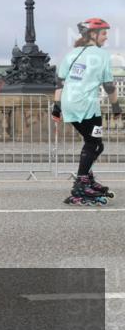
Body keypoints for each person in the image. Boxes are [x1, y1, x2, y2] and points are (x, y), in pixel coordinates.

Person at [52, 17, 122, 205]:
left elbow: (59, 82)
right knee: (95, 145)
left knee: (91, 142)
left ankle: (87, 178)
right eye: (104, 33)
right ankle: (81, 184)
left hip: (68, 103)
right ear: (93, 34)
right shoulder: (102, 56)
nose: (106, 37)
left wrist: (56, 108)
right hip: (87, 105)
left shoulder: (71, 54)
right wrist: (116, 107)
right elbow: (108, 85)